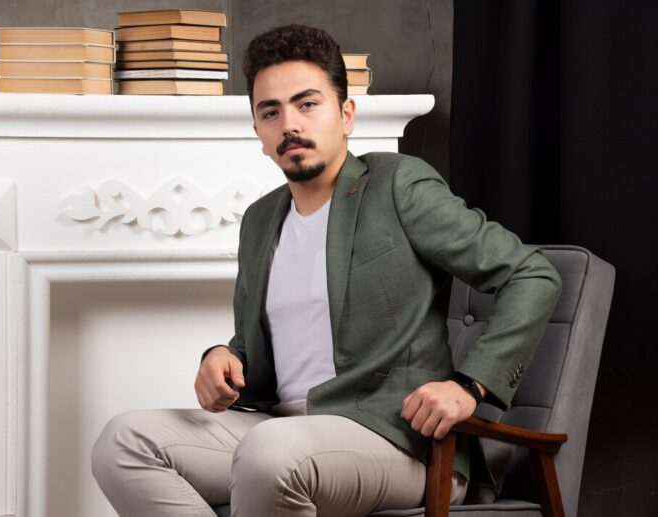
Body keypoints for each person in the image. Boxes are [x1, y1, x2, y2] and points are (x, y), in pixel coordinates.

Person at [91, 24, 562, 517]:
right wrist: (221, 357)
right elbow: (259, 351)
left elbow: (531, 274)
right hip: (280, 428)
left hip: (396, 438)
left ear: (346, 113)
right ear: (258, 133)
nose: (289, 124)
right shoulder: (260, 221)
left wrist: (469, 386)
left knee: (269, 453)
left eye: (307, 104)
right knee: (123, 443)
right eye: (270, 112)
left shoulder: (397, 186)